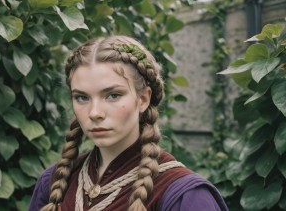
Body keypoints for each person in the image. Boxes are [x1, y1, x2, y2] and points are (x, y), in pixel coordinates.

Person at [29, 35, 228, 211]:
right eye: (82, 97)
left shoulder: (185, 196)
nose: (95, 112)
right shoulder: (53, 181)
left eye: (113, 95)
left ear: (143, 99)